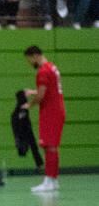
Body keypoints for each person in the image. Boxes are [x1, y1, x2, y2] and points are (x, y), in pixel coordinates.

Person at [24, 46, 66, 193]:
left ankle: (49, 180)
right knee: (52, 145)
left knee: (49, 146)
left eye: (29, 59)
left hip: (51, 111)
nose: (30, 63)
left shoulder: (42, 71)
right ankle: (52, 180)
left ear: (35, 56)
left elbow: (42, 95)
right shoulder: (52, 67)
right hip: (57, 109)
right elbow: (48, 89)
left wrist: (29, 105)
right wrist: (33, 91)